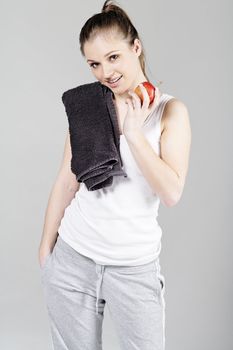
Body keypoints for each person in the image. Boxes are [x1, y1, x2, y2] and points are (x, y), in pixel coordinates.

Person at [38, 1, 191, 349]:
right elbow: (66, 179)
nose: (105, 72)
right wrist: (46, 252)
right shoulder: (90, 107)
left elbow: (171, 193)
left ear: (135, 47)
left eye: (113, 57)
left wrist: (135, 136)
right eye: (94, 64)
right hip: (73, 259)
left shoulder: (171, 112)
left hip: (134, 269)